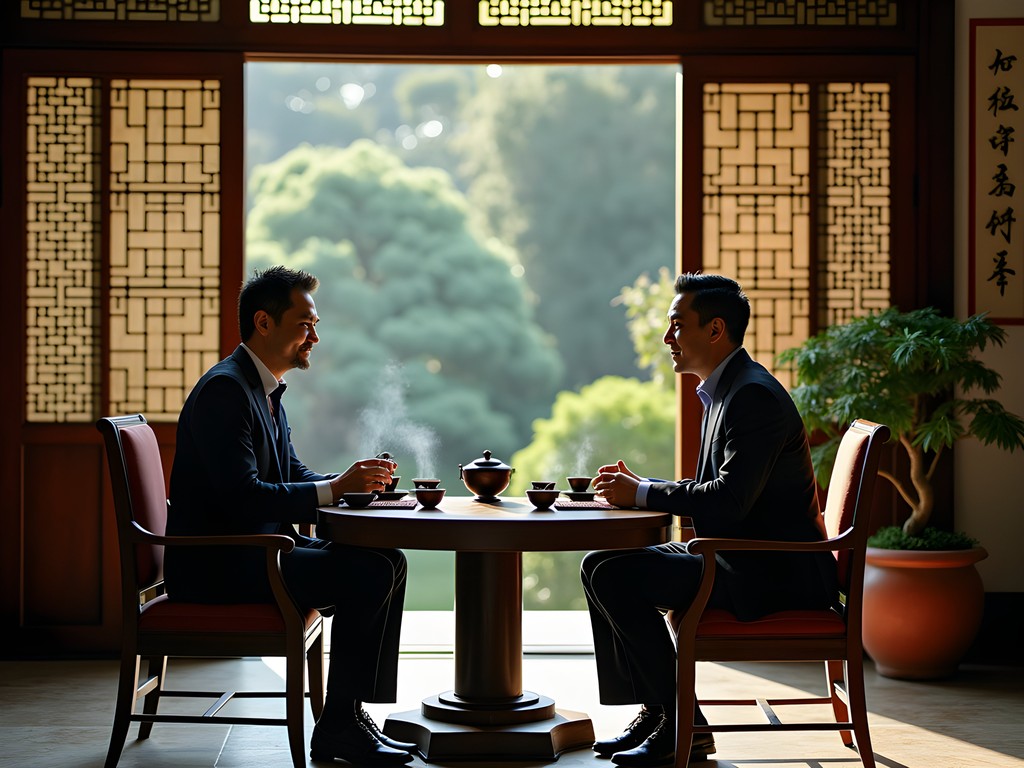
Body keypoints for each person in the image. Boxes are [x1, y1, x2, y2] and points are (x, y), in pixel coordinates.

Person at [582, 273, 838, 767]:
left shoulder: (752, 397)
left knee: (616, 576)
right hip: (737, 555)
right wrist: (644, 487)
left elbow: (727, 502)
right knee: (602, 565)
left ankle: (683, 726)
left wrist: (642, 492)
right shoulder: (726, 389)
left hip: (771, 570)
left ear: (716, 329)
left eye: (678, 325)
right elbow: (721, 490)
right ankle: (663, 712)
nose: (667, 338)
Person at [167, 266, 414, 766]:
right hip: (220, 563)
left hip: (259, 550)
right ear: (264, 322)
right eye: (305, 325)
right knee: (369, 572)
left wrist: (353, 488)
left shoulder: (263, 390)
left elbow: (291, 471)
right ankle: (340, 727)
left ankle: (348, 716)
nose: (315, 337)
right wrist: (334, 490)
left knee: (386, 558)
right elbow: (243, 497)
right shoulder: (226, 391)